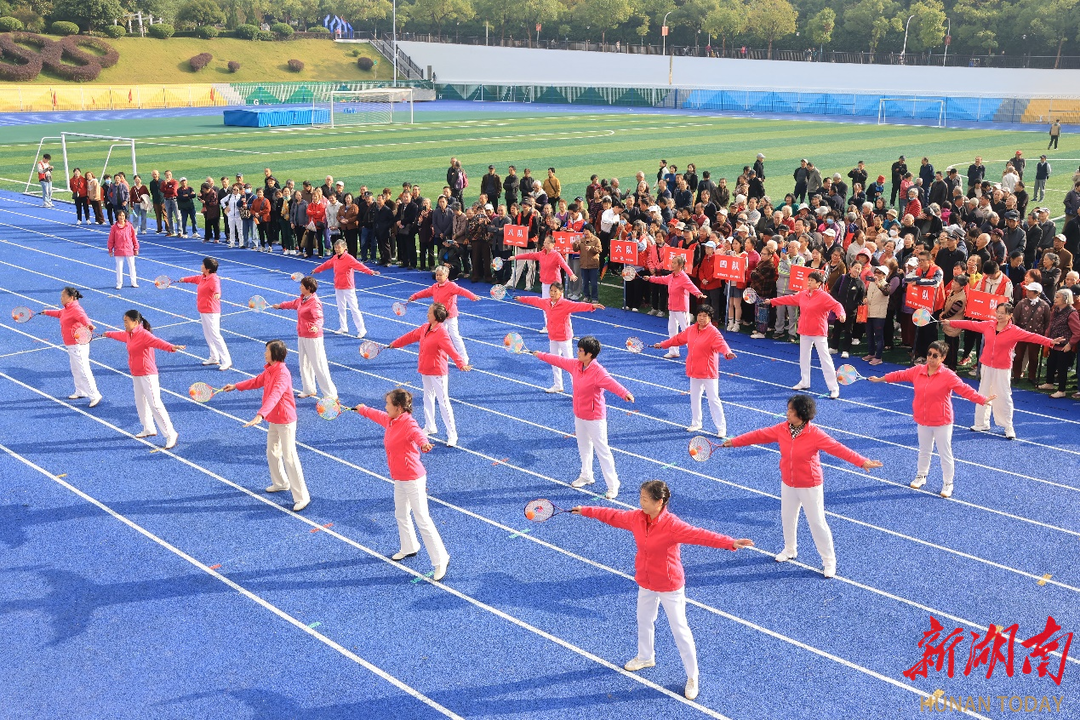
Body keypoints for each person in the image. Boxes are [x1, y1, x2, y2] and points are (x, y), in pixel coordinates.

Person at [572, 480, 754, 701]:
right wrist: (586, 510)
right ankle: (645, 656)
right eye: (640, 498)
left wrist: (730, 542)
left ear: (660, 502)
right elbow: (612, 515)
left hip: (669, 586)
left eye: (645, 500)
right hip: (646, 582)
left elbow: (701, 535)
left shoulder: (672, 525)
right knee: (644, 620)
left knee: (680, 630)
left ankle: (692, 676)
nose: (641, 503)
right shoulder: (637, 518)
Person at [722, 395, 883, 578]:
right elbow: (759, 435)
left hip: (810, 485)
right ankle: (790, 550)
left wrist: (862, 462)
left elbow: (838, 448)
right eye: (788, 409)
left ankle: (829, 561)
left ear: (802, 413)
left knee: (817, 523)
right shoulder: (781, 429)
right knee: (787, 518)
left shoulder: (815, 434)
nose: (787, 413)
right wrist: (735, 441)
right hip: (788, 483)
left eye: (791, 410)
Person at [869, 341, 992, 498]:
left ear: (943, 358)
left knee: (944, 453)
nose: (931, 358)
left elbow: (964, 390)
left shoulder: (948, 375)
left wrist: (982, 399)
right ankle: (921, 476)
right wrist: (881, 379)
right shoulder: (918, 371)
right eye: (929, 354)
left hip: (942, 421)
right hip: (923, 419)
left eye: (935, 356)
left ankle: (948, 483)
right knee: (924, 451)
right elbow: (900, 374)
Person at [357, 388, 450, 581]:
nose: (386, 407)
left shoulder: (408, 423)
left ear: (398, 408)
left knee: (422, 519)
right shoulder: (392, 420)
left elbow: (418, 434)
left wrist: (424, 444)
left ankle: (441, 559)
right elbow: (379, 415)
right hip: (399, 477)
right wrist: (363, 409)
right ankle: (409, 546)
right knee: (400, 513)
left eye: (388, 404)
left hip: (413, 479)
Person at [528, 336, 634, 499]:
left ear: (590, 354)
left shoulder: (599, 372)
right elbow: (557, 359)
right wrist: (539, 354)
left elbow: (612, 383)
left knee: (602, 450)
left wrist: (625, 393)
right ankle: (586, 475)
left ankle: (613, 485)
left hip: (595, 417)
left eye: (580, 351)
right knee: (584, 447)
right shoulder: (575, 365)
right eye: (578, 350)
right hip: (579, 415)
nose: (577, 352)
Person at [943, 302, 1062, 440]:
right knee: (983, 393)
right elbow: (970, 324)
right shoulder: (988, 325)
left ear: (1010, 315)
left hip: (1003, 368)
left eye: (1003, 313)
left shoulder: (1015, 330)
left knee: (1004, 397)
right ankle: (981, 423)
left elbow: (1033, 337)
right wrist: (951, 323)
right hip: (987, 365)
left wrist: (1050, 342)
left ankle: (1008, 426)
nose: (999, 315)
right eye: (998, 312)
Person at [221, 340, 310, 512]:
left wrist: (260, 414)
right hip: (274, 419)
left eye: (267, 351)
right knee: (272, 452)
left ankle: (302, 496)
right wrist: (235, 386)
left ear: (275, 353)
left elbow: (275, 395)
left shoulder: (282, 373)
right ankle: (281, 482)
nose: (264, 353)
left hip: (285, 420)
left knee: (290, 457)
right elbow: (257, 381)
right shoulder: (270, 369)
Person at [389, 302, 472, 447]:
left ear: (436, 316)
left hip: (438, 372)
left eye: (429, 312)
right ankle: (430, 426)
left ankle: (452, 434)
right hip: (425, 369)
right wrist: (395, 344)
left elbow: (451, 350)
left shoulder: (441, 333)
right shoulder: (424, 328)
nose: (427, 314)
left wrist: (461, 364)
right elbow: (410, 336)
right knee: (427, 398)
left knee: (444, 402)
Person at [103, 310, 184, 449]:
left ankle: (171, 433)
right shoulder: (129, 334)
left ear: (135, 322)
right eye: (124, 321)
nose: (124, 324)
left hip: (147, 374)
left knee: (155, 404)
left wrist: (171, 347)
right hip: (136, 373)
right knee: (140, 402)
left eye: (126, 321)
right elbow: (121, 335)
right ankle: (148, 428)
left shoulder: (144, 334)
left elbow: (157, 342)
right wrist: (108, 334)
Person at [653, 305, 735, 435]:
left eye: (705, 316)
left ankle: (721, 428)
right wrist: (663, 344)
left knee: (713, 399)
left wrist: (727, 353)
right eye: (700, 315)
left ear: (710, 318)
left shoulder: (713, 332)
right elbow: (677, 339)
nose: (702, 318)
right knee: (694, 398)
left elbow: (722, 344)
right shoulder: (691, 329)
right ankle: (696, 423)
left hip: (708, 372)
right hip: (694, 370)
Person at [765, 270, 846, 398]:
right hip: (804, 330)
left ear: (819, 283)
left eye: (812, 280)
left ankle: (834, 388)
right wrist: (773, 301)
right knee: (803, 358)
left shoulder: (824, 296)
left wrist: (841, 314)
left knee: (825, 360)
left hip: (819, 332)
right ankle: (804, 381)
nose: (809, 282)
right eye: (808, 280)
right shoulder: (803, 294)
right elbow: (789, 299)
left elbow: (837, 305)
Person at [517, 283, 603, 393]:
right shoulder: (546, 302)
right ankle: (558, 385)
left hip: (564, 338)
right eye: (551, 290)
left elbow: (578, 306)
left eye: (555, 291)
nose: (552, 293)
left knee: (572, 365)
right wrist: (521, 298)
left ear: (561, 293)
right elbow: (535, 300)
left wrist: (591, 306)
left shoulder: (565, 304)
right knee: (554, 361)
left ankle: (577, 389)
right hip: (553, 337)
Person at [273, 277, 337, 400]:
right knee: (304, 364)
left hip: (313, 338)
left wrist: (316, 327)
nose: (300, 287)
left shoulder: (314, 302)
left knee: (319, 365)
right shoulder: (302, 299)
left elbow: (319, 318)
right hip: (302, 335)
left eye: (302, 286)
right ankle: (309, 389)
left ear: (308, 288)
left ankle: (330, 395)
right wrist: (280, 306)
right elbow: (293, 304)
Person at [407, 265, 480, 365]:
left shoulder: (451, 286)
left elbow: (462, 291)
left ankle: (464, 357)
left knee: (455, 336)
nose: (438, 277)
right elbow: (426, 292)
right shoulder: (435, 287)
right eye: (437, 275)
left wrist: (472, 296)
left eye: (440, 275)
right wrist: (414, 296)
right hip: (440, 317)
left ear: (446, 275)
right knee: (441, 337)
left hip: (450, 316)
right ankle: (443, 355)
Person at [42, 287, 101, 407]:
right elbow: (60, 313)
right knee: (76, 369)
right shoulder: (67, 309)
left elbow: (83, 317)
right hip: (71, 345)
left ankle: (95, 395)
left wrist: (89, 325)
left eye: (63, 296)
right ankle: (81, 391)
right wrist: (47, 312)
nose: (61, 298)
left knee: (84, 370)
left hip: (77, 345)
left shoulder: (76, 309)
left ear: (71, 298)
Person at [644, 254, 708, 359]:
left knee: (686, 331)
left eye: (674, 263)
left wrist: (698, 294)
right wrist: (650, 278)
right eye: (672, 262)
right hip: (672, 308)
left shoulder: (683, 277)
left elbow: (691, 286)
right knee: (672, 329)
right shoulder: (671, 276)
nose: (672, 264)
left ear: (680, 265)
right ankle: (673, 351)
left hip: (681, 309)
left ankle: (695, 353)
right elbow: (662, 279)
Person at [313, 240, 378, 338]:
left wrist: (370, 271)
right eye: (335, 248)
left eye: (339, 248)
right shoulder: (335, 258)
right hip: (338, 286)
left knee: (354, 308)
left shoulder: (349, 258)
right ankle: (343, 327)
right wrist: (317, 270)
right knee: (341, 308)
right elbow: (327, 264)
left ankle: (361, 329)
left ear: (344, 248)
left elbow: (359, 266)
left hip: (348, 287)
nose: (337, 250)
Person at [180, 257, 231, 371]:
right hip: (203, 310)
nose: (201, 266)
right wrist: (184, 279)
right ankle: (214, 357)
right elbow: (194, 278)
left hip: (212, 311)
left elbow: (217, 288)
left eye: (203, 264)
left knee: (215, 335)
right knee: (208, 334)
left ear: (207, 268)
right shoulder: (203, 277)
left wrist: (217, 294)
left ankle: (227, 360)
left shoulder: (213, 279)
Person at [511, 236, 577, 306]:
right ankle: (547, 317)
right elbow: (529, 255)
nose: (546, 245)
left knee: (558, 305)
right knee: (546, 305)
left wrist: (571, 274)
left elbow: (564, 265)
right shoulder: (541, 254)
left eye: (548, 243)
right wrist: (516, 257)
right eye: (545, 243)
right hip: (545, 283)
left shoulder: (556, 255)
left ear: (553, 244)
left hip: (555, 284)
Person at [1039, 289, 1080, 398]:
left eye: (1058, 297)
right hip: (1053, 343)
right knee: (1051, 364)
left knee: (1062, 368)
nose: (1055, 299)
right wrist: (1046, 339)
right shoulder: (1056, 310)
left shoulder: (1072, 313)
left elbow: (1077, 332)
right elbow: (1050, 325)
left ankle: (1062, 390)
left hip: (1064, 345)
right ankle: (1049, 383)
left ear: (1066, 299)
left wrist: (1070, 344)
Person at [107, 209, 139, 290]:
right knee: (119, 267)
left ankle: (134, 282)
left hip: (129, 249)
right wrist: (110, 249)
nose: (122, 217)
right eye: (120, 215)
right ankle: (119, 283)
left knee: (132, 266)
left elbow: (134, 238)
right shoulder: (114, 227)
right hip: (119, 249)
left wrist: (136, 248)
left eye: (123, 215)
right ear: (117, 217)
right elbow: (111, 239)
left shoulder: (129, 226)